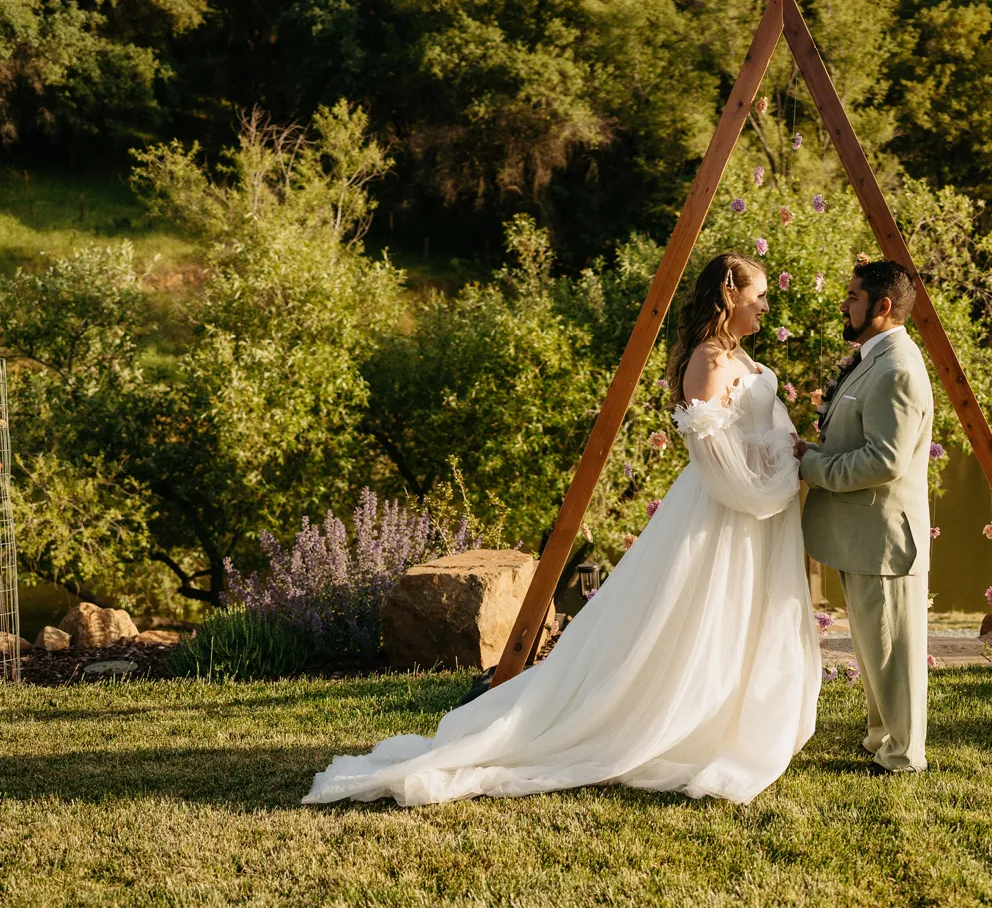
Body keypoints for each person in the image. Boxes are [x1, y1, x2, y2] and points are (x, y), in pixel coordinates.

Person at [303, 253, 821, 807]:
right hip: (724, 513)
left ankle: (727, 718)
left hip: (753, 513)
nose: (766, 305)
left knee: (738, 615)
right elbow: (715, 459)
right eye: (759, 295)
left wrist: (782, 461)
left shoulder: (738, 354)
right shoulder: (709, 361)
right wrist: (776, 474)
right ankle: (670, 723)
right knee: (697, 618)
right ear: (729, 297)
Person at [794, 260, 935, 775]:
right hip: (861, 533)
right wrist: (813, 448)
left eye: (852, 297)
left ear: (882, 307)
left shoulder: (897, 367)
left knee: (895, 652)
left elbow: (884, 461)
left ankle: (902, 755)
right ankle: (882, 737)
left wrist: (811, 464)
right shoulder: (873, 357)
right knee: (875, 647)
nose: (844, 305)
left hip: (884, 536)